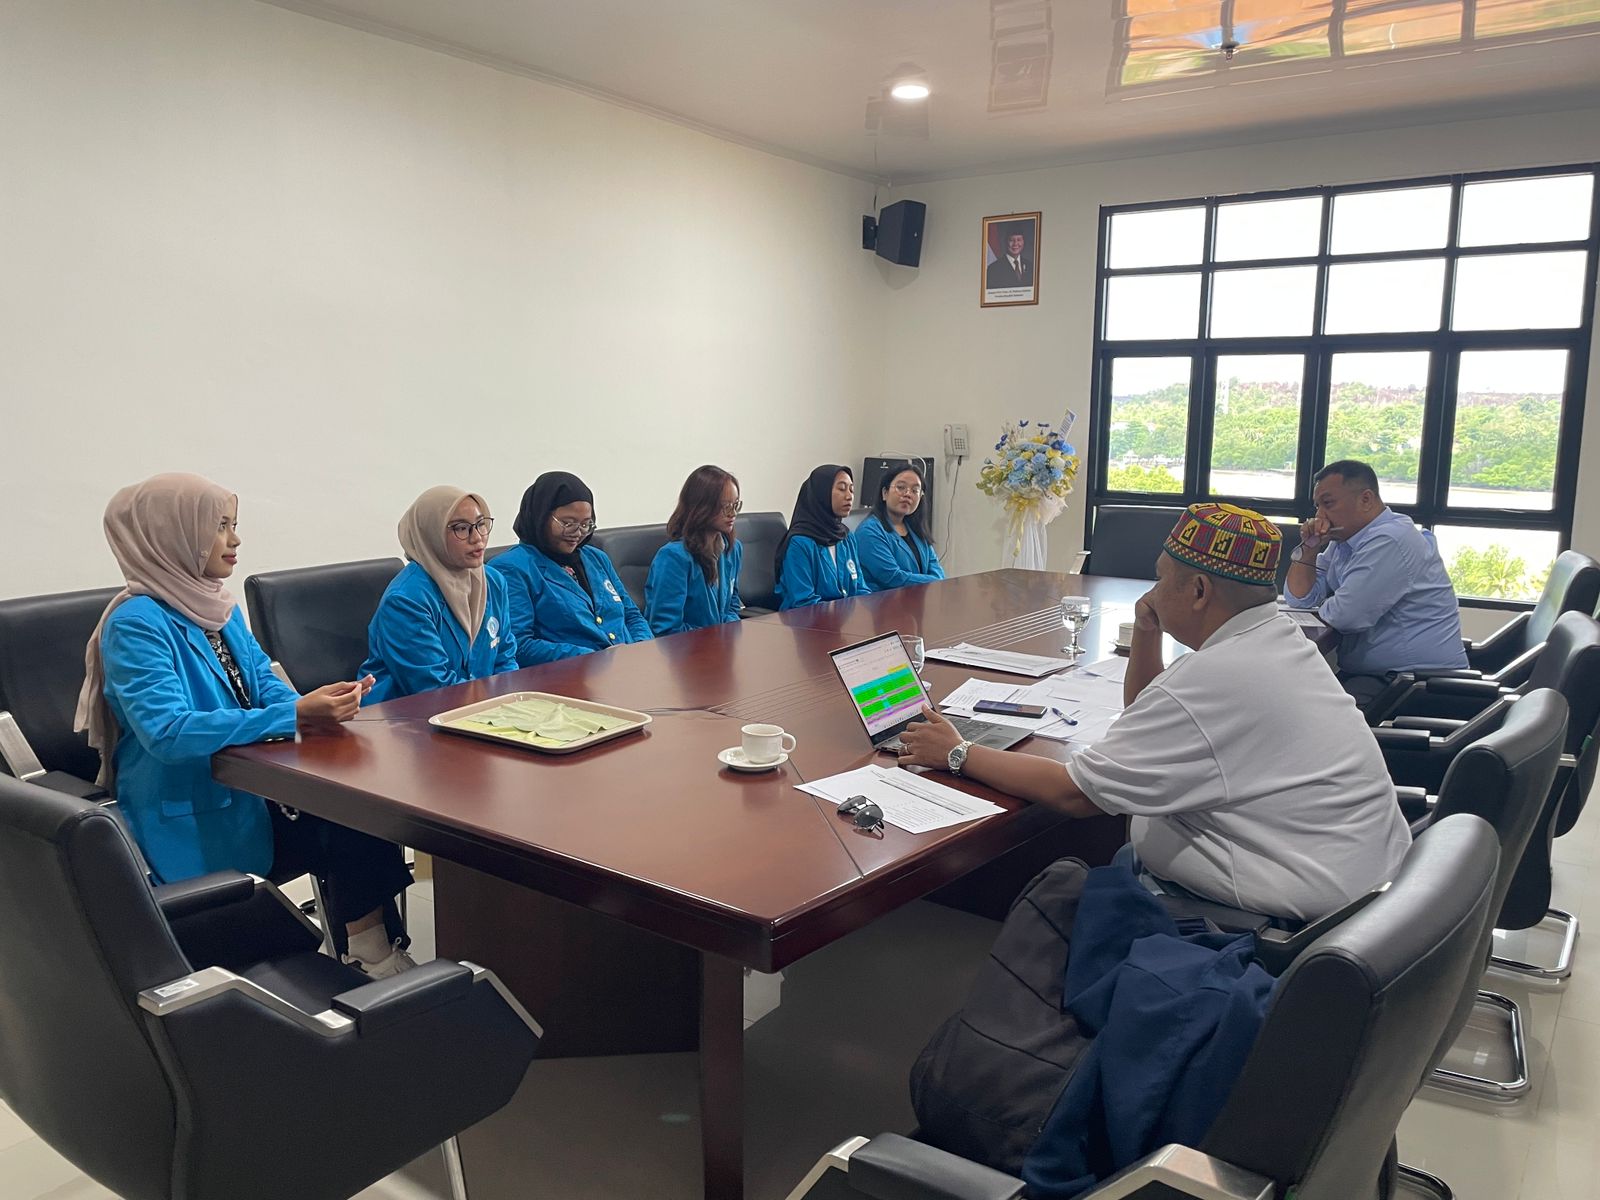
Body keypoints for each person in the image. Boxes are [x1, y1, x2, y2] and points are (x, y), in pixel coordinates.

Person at [898, 502, 1410, 923]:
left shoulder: (1218, 677)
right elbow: (1150, 716)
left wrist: (958, 752)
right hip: (1356, 892)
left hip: (1265, 920)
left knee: (1056, 900)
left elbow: (1075, 795)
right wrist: (1147, 630)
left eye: (1162, 578)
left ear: (1199, 591)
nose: (1152, 591)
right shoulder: (1276, 639)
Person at [77, 473, 415, 977]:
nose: (234, 539)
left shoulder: (217, 607)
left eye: (233, 525)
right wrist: (295, 716)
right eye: (219, 527)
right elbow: (168, 732)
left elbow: (264, 683)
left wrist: (311, 706)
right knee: (346, 822)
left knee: (360, 812)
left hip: (254, 794)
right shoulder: (136, 623)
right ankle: (367, 958)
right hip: (194, 813)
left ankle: (370, 952)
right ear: (172, 535)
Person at [1283, 459, 1468, 707]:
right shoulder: (1346, 539)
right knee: (1291, 702)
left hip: (1412, 683)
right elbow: (1301, 599)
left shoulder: (1390, 540)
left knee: (1303, 712)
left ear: (1366, 499)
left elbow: (1346, 616)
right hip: (1381, 676)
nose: (1319, 516)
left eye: (1328, 504)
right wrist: (1309, 547)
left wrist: (1331, 603)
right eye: (1317, 506)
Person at [362, 486, 518, 703]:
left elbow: (505, 659)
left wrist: (510, 704)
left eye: (481, 524)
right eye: (461, 528)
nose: (477, 538)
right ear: (431, 534)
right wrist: (496, 702)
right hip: (404, 715)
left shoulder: (493, 582)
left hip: (479, 708)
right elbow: (433, 688)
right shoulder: (406, 600)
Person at [489, 471, 653, 664]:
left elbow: (632, 615)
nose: (577, 533)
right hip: (570, 673)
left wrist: (640, 648)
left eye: (586, 524)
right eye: (568, 523)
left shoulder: (596, 558)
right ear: (541, 516)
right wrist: (594, 658)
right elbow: (520, 645)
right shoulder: (511, 568)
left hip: (627, 664)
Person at [646, 465, 744, 635]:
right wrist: (716, 638)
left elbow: (732, 606)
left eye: (736, 505)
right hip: (686, 649)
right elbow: (666, 629)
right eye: (726, 506)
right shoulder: (673, 557)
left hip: (719, 645)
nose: (733, 513)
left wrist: (729, 635)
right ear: (702, 507)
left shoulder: (732, 549)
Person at [776, 464, 869, 610]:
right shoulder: (800, 543)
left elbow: (861, 589)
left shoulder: (846, 538)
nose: (849, 496)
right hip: (806, 621)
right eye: (842, 489)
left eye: (851, 489)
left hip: (845, 619)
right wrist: (845, 614)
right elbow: (804, 602)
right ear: (821, 493)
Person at [854, 460, 945, 591]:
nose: (907, 494)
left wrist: (938, 580)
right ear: (885, 493)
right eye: (901, 487)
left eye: (915, 490)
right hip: (882, 601)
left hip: (917, 599)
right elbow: (892, 578)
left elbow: (935, 567)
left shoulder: (915, 529)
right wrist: (936, 582)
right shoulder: (869, 531)